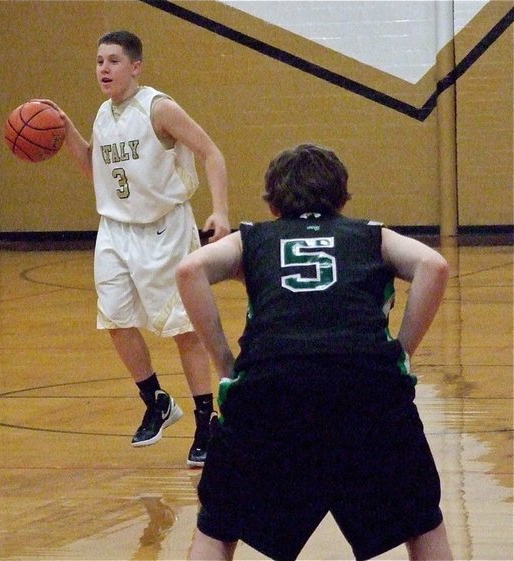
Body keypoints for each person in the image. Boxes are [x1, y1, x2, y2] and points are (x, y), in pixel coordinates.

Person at [176, 143, 453, 560]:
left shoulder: (253, 238)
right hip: (367, 388)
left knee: (218, 525)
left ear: (272, 204)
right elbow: (434, 266)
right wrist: (401, 352)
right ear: (342, 198)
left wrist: (226, 364)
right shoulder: (370, 234)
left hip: (269, 389)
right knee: (422, 522)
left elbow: (189, 270)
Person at [39, 30, 230, 466]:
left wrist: (220, 211)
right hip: (115, 230)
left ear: (136, 66)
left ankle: (206, 420)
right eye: (99, 61)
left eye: (113, 61)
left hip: (164, 228)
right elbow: (96, 170)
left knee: (184, 330)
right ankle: (156, 400)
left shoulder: (159, 108)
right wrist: (67, 131)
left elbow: (211, 152)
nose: (103, 69)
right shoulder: (104, 116)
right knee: (115, 320)